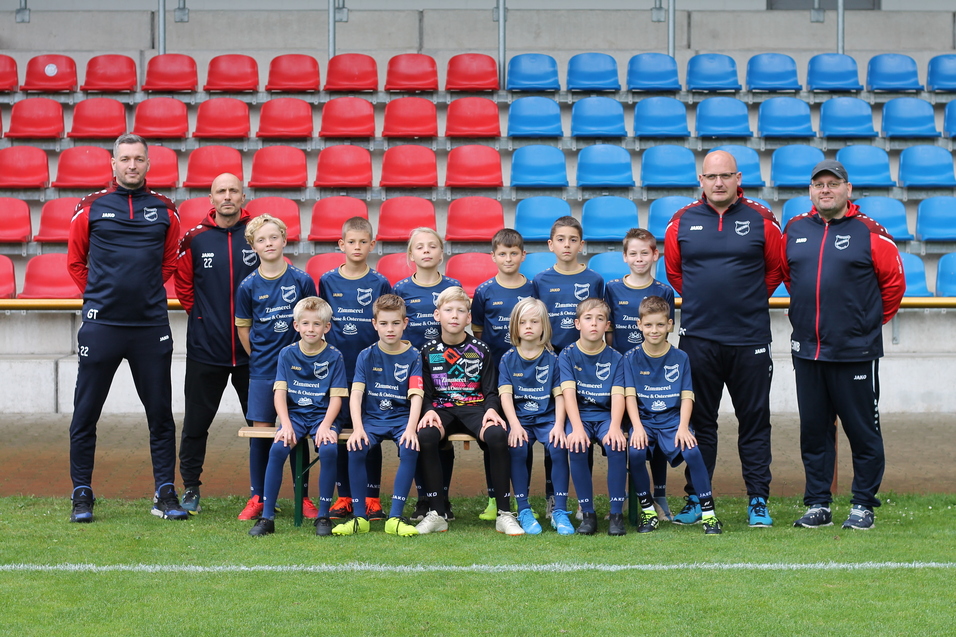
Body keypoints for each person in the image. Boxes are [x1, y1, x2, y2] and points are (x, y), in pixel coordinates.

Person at [66, 133, 186, 523]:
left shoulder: (165, 209)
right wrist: (102, 297)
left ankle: (165, 492)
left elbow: (169, 263)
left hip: (150, 327)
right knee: (85, 414)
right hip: (102, 327)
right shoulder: (90, 207)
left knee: (161, 416)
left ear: (148, 164)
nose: (131, 165)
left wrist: (143, 294)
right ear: (113, 165)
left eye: (138, 159)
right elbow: (75, 262)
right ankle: (82, 493)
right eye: (125, 159)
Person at [782, 160, 905, 531]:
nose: (825, 190)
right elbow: (792, 279)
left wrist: (862, 325)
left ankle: (864, 504)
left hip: (854, 352)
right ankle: (818, 503)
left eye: (832, 184)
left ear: (847, 189)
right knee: (814, 431)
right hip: (808, 350)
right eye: (818, 184)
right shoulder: (796, 229)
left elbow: (894, 285)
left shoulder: (870, 232)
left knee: (862, 430)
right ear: (810, 191)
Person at [664, 149, 783, 527]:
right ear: (701, 180)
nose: (718, 183)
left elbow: (775, 271)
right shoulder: (680, 222)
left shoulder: (762, 220)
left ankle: (758, 500)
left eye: (726, 176)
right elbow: (676, 274)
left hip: (750, 339)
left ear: (738, 178)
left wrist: (743, 301)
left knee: (754, 421)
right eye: (711, 177)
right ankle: (698, 498)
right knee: (699, 422)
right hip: (699, 338)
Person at [175, 173, 259, 514]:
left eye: (233, 191)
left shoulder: (258, 235)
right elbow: (183, 286)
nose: (227, 196)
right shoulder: (195, 239)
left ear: (243, 196)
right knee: (196, 423)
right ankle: (191, 488)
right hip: (205, 349)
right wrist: (202, 318)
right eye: (220, 191)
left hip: (253, 353)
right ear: (211, 198)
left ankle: (262, 493)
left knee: (261, 425)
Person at [414, 286, 523, 536]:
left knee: (497, 435)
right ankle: (437, 513)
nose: (454, 315)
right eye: (448, 310)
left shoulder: (481, 350)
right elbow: (426, 393)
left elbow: (490, 391)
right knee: (427, 436)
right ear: (437, 315)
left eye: (460, 311)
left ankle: (504, 514)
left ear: (469, 318)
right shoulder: (428, 351)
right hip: (442, 408)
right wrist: (428, 410)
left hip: (475, 408)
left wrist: (492, 410)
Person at [235, 214, 318, 521]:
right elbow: (244, 329)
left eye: (273, 237)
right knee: (261, 433)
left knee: (299, 431)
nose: (268, 243)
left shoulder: (301, 280)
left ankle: (303, 497)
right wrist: (258, 357)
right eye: (261, 239)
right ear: (253, 246)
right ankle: (259, 496)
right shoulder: (248, 286)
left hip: (299, 372)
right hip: (262, 371)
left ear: (284, 240)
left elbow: (315, 323)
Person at [248, 297, 347, 537]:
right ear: (296, 326)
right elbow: (280, 393)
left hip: (325, 416)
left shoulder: (335, 356)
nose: (310, 329)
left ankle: (323, 516)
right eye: (305, 324)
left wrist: (326, 426)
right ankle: (267, 517)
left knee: (328, 449)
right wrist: (285, 423)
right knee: (278, 448)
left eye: (316, 324)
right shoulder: (287, 353)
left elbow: (337, 399)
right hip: (296, 416)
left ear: (326, 327)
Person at [624, 296, 722, 535]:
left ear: (670, 325)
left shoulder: (680, 357)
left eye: (659, 325)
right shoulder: (630, 357)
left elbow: (687, 396)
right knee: (635, 452)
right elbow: (629, 397)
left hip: (672, 421)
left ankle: (709, 514)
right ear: (639, 325)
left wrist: (683, 427)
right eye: (648, 325)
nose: (654, 330)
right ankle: (649, 511)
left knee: (693, 450)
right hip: (645, 421)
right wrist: (636, 427)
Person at [318, 217, 392, 522]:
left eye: (363, 242)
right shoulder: (326, 281)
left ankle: (372, 497)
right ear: (341, 245)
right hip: (337, 372)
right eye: (351, 241)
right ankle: (344, 496)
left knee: (368, 434)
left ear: (372, 245)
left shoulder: (380, 283)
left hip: (370, 373)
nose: (357, 247)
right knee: (339, 435)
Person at [332, 294, 423, 537]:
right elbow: (357, 394)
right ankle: (360, 517)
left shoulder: (414, 356)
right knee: (355, 447)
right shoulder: (365, 355)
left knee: (410, 448)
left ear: (405, 323)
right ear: (374, 324)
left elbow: (416, 396)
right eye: (384, 323)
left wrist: (411, 429)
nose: (390, 329)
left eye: (395, 323)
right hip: (372, 420)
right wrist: (358, 428)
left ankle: (395, 517)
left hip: (401, 418)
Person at [604, 227, 676, 520]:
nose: (639, 258)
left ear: (655, 254)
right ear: (624, 256)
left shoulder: (664, 291)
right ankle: (619, 502)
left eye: (644, 252)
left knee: (655, 435)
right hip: (621, 373)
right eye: (632, 253)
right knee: (622, 436)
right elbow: (608, 333)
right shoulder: (611, 288)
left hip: (653, 377)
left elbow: (666, 335)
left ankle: (659, 496)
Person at [393, 228, 462, 520]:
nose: (426, 251)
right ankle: (424, 498)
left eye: (432, 246)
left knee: (442, 437)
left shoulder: (452, 285)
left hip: (445, 372)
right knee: (421, 435)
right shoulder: (400, 289)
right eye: (419, 247)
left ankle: (442, 497)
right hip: (413, 372)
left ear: (441, 253)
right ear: (411, 255)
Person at [472, 228, 538, 521]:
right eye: (502, 253)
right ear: (493, 256)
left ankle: (525, 496)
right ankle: (493, 497)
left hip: (527, 377)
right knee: (495, 436)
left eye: (514, 253)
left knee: (525, 436)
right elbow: (477, 334)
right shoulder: (484, 291)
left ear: (523, 255)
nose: (508, 258)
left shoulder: (533, 288)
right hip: (495, 377)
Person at [555, 298, 628, 536]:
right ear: (577, 323)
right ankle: (587, 514)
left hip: (607, 416)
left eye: (600, 319)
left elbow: (618, 396)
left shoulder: (617, 357)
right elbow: (568, 394)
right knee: (576, 446)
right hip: (581, 416)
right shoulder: (566, 355)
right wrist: (575, 427)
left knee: (616, 445)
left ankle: (616, 514)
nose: (594, 324)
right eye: (588, 319)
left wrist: (616, 427)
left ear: (608, 325)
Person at [499, 298, 564, 535]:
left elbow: (560, 396)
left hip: (547, 418)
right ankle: (524, 509)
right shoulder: (507, 358)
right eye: (523, 322)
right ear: (515, 327)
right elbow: (505, 397)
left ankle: (560, 510)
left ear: (544, 326)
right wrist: (514, 426)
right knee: (517, 447)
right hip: (521, 419)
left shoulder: (554, 358)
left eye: (534, 321)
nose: (528, 326)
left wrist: (558, 425)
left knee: (558, 447)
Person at [533, 216, 605, 353]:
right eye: (560, 239)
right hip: (549, 353)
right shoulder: (540, 280)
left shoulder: (595, 279)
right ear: (551, 244)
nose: (567, 244)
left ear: (581, 245)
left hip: (585, 353)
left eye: (573, 240)